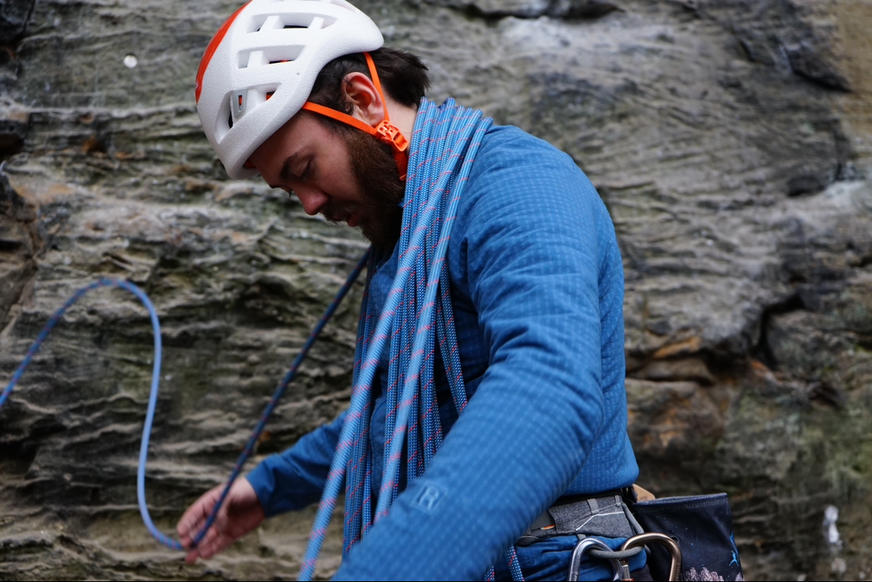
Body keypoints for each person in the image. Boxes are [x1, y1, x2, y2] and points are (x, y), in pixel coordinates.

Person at [177, 1, 645, 580]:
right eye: (286, 190)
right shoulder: (409, 232)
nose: (310, 204)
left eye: (303, 168)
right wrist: (269, 487)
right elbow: (401, 414)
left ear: (362, 99)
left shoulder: (518, 183)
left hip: (556, 561)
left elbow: (548, 387)